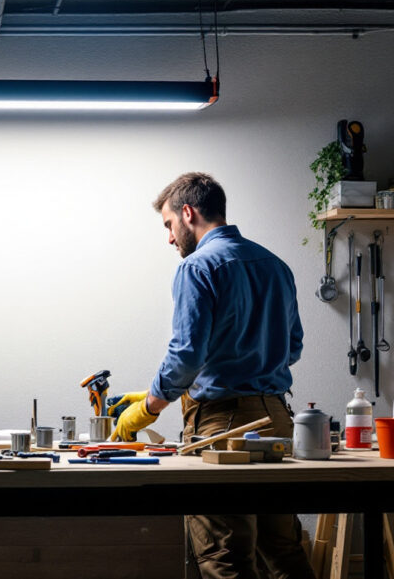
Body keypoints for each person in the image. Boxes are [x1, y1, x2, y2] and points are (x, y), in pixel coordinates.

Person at [109, 172, 314, 579]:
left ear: (188, 213)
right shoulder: (275, 265)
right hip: (277, 420)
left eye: (169, 225)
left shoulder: (197, 267)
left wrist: (148, 408)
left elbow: (187, 354)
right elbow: (293, 348)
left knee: (225, 557)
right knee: (284, 553)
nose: (169, 238)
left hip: (223, 426)